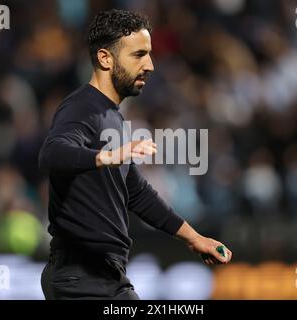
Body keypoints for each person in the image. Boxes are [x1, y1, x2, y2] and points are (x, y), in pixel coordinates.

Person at [39, 9, 232, 300]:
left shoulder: (112, 116)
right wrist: (106, 156)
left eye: (150, 54)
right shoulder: (82, 108)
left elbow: (137, 192)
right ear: (106, 58)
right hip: (81, 278)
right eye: (138, 55)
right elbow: (52, 154)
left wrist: (195, 238)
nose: (150, 65)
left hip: (103, 276)